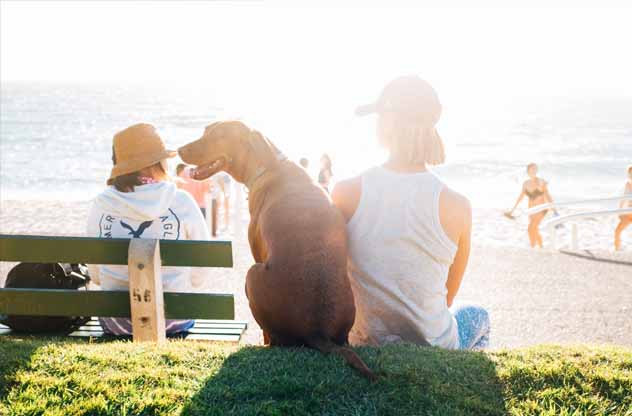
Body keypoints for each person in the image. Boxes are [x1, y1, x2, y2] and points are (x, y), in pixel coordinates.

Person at [332, 75, 489, 350]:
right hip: (434, 345)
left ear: (387, 125)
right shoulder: (458, 206)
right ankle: (463, 381)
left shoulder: (346, 192)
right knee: (478, 315)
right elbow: (447, 299)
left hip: (365, 341)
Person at [86, 123, 210, 335]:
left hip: (117, 321)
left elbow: (96, 275)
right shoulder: (180, 200)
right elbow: (203, 261)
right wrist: (191, 281)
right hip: (174, 318)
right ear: (158, 162)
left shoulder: (101, 203)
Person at [506, 163, 555, 248]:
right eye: (532, 169)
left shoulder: (541, 181)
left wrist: (554, 209)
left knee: (531, 228)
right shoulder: (525, 183)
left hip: (541, 209)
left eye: (535, 169)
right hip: (531, 209)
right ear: (528, 171)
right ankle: (539, 246)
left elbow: (547, 195)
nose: (534, 170)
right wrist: (512, 210)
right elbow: (520, 197)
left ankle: (535, 247)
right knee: (533, 229)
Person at [614, 165, 632, 251]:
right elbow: (624, 197)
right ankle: (617, 250)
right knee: (617, 231)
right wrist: (620, 210)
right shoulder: (628, 184)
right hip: (628, 213)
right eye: (630, 174)